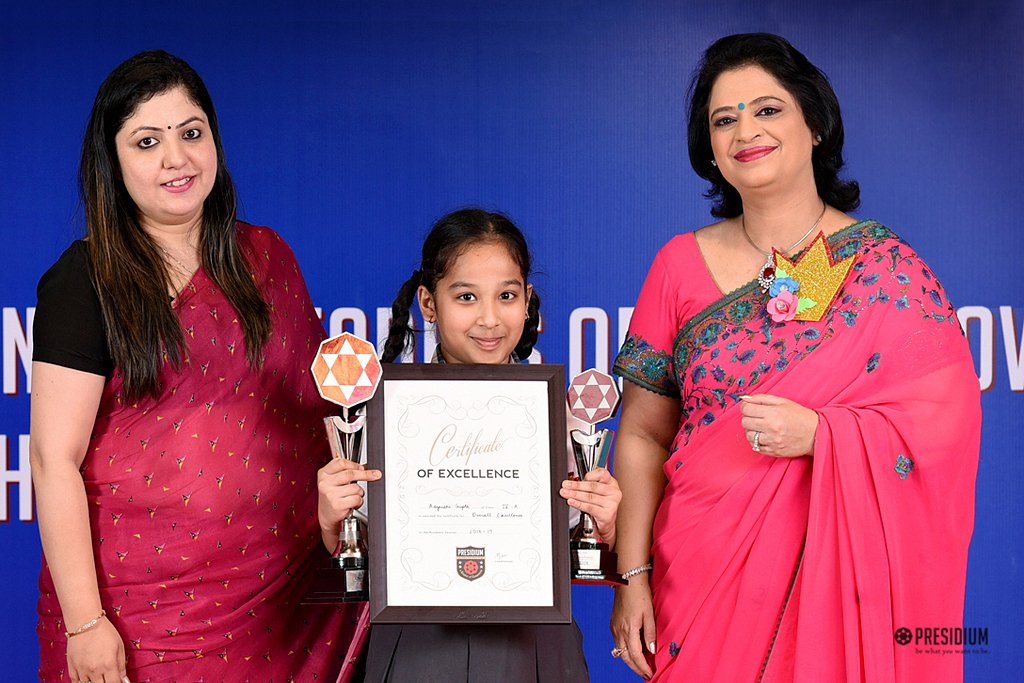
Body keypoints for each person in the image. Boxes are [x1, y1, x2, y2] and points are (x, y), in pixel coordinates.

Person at [609, 33, 980, 682]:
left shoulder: (885, 270)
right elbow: (642, 434)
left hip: (837, 597)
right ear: (711, 151)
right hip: (699, 581)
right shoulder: (677, 265)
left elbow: (942, 430)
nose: (745, 130)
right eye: (724, 120)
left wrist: (823, 434)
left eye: (767, 109)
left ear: (815, 123)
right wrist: (632, 576)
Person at [31, 50, 363, 683]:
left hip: (280, 607)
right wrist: (85, 623)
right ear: (113, 162)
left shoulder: (267, 259)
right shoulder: (87, 279)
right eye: (147, 141)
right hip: (135, 617)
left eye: (191, 133)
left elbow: (323, 414)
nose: (176, 158)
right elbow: (53, 460)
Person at [316, 207, 622, 682]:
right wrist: (331, 519)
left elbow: (586, 552)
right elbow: (355, 549)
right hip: (415, 643)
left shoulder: (563, 418)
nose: (489, 318)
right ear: (428, 302)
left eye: (506, 296)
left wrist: (604, 522)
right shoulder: (385, 414)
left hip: (534, 645)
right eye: (466, 297)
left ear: (528, 300)